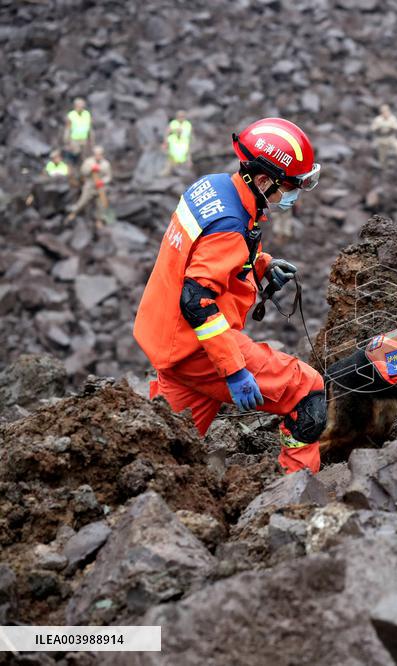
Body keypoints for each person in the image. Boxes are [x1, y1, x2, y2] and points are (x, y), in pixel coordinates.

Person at [132, 118, 326, 475]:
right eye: (290, 186)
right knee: (307, 391)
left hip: (169, 346)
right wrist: (234, 370)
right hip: (197, 350)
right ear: (264, 181)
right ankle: (297, 491)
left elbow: (204, 254)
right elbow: (196, 300)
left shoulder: (214, 187)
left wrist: (261, 265)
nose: (292, 195)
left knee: (165, 452)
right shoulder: (231, 226)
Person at [66, 146, 112, 225]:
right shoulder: (88, 162)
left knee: (100, 204)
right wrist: (91, 169)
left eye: (100, 154)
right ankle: (73, 213)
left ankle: (99, 220)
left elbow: (109, 176)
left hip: (100, 187)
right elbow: (83, 172)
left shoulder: (106, 164)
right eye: (96, 154)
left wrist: (103, 181)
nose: (98, 156)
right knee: (82, 201)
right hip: (90, 185)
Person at [63, 97, 92, 185]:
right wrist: (67, 141)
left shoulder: (87, 114)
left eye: (82, 106)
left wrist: (91, 140)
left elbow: (89, 128)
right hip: (74, 140)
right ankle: (72, 178)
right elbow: (68, 128)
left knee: (83, 159)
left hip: (84, 139)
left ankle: (83, 177)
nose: (81, 108)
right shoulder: (71, 115)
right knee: (73, 158)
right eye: (79, 106)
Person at [370, 104, 397, 168]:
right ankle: (382, 166)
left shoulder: (392, 118)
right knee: (381, 151)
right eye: (383, 111)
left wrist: (390, 130)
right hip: (381, 138)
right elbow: (373, 129)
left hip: (391, 138)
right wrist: (380, 131)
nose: (385, 112)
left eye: (386, 111)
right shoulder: (378, 119)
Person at [161, 110, 193, 177]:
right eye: (179, 116)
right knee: (171, 158)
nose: (181, 118)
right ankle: (168, 172)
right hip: (174, 143)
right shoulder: (174, 123)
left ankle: (185, 173)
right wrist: (165, 142)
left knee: (185, 158)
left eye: (182, 116)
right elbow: (167, 132)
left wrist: (190, 142)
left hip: (183, 143)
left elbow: (190, 135)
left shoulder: (187, 124)